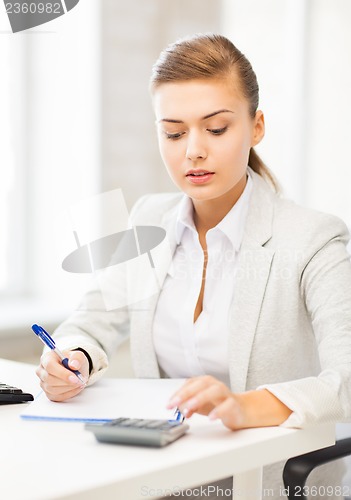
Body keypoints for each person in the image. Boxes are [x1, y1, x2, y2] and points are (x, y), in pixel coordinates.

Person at [36, 33, 351, 498]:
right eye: (174, 132)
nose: (193, 151)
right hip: (167, 480)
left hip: (267, 483)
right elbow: (94, 320)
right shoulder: (149, 219)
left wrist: (245, 407)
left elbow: (344, 379)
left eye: (217, 129)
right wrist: (73, 358)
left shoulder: (314, 239)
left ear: (256, 126)